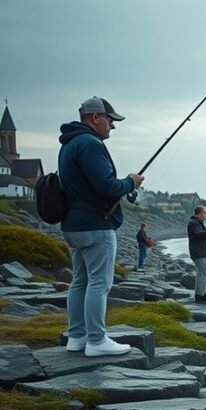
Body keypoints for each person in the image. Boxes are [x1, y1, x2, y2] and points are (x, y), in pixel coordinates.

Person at [59, 96, 144, 357]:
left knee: (80, 281)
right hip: (95, 226)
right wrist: (130, 182)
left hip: (74, 224)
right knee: (99, 282)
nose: (112, 126)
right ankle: (96, 340)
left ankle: (77, 337)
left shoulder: (70, 144)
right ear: (95, 118)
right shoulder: (90, 144)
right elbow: (106, 186)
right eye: (110, 120)